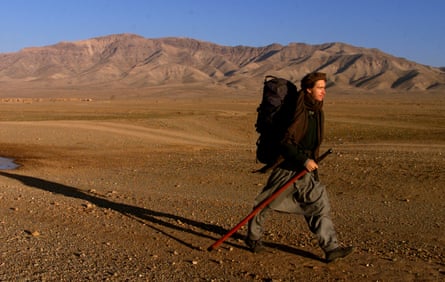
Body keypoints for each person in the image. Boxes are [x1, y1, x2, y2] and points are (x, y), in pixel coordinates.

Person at [245, 72, 353, 263]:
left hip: (305, 168)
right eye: (320, 87)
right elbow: (285, 143)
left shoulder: (316, 110)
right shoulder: (297, 111)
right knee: (266, 202)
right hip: (287, 166)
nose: (324, 92)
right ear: (308, 89)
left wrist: (309, 162)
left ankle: (331, 248)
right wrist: (304, 160)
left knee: (319, 203)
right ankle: (253, 237)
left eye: (324, 87)